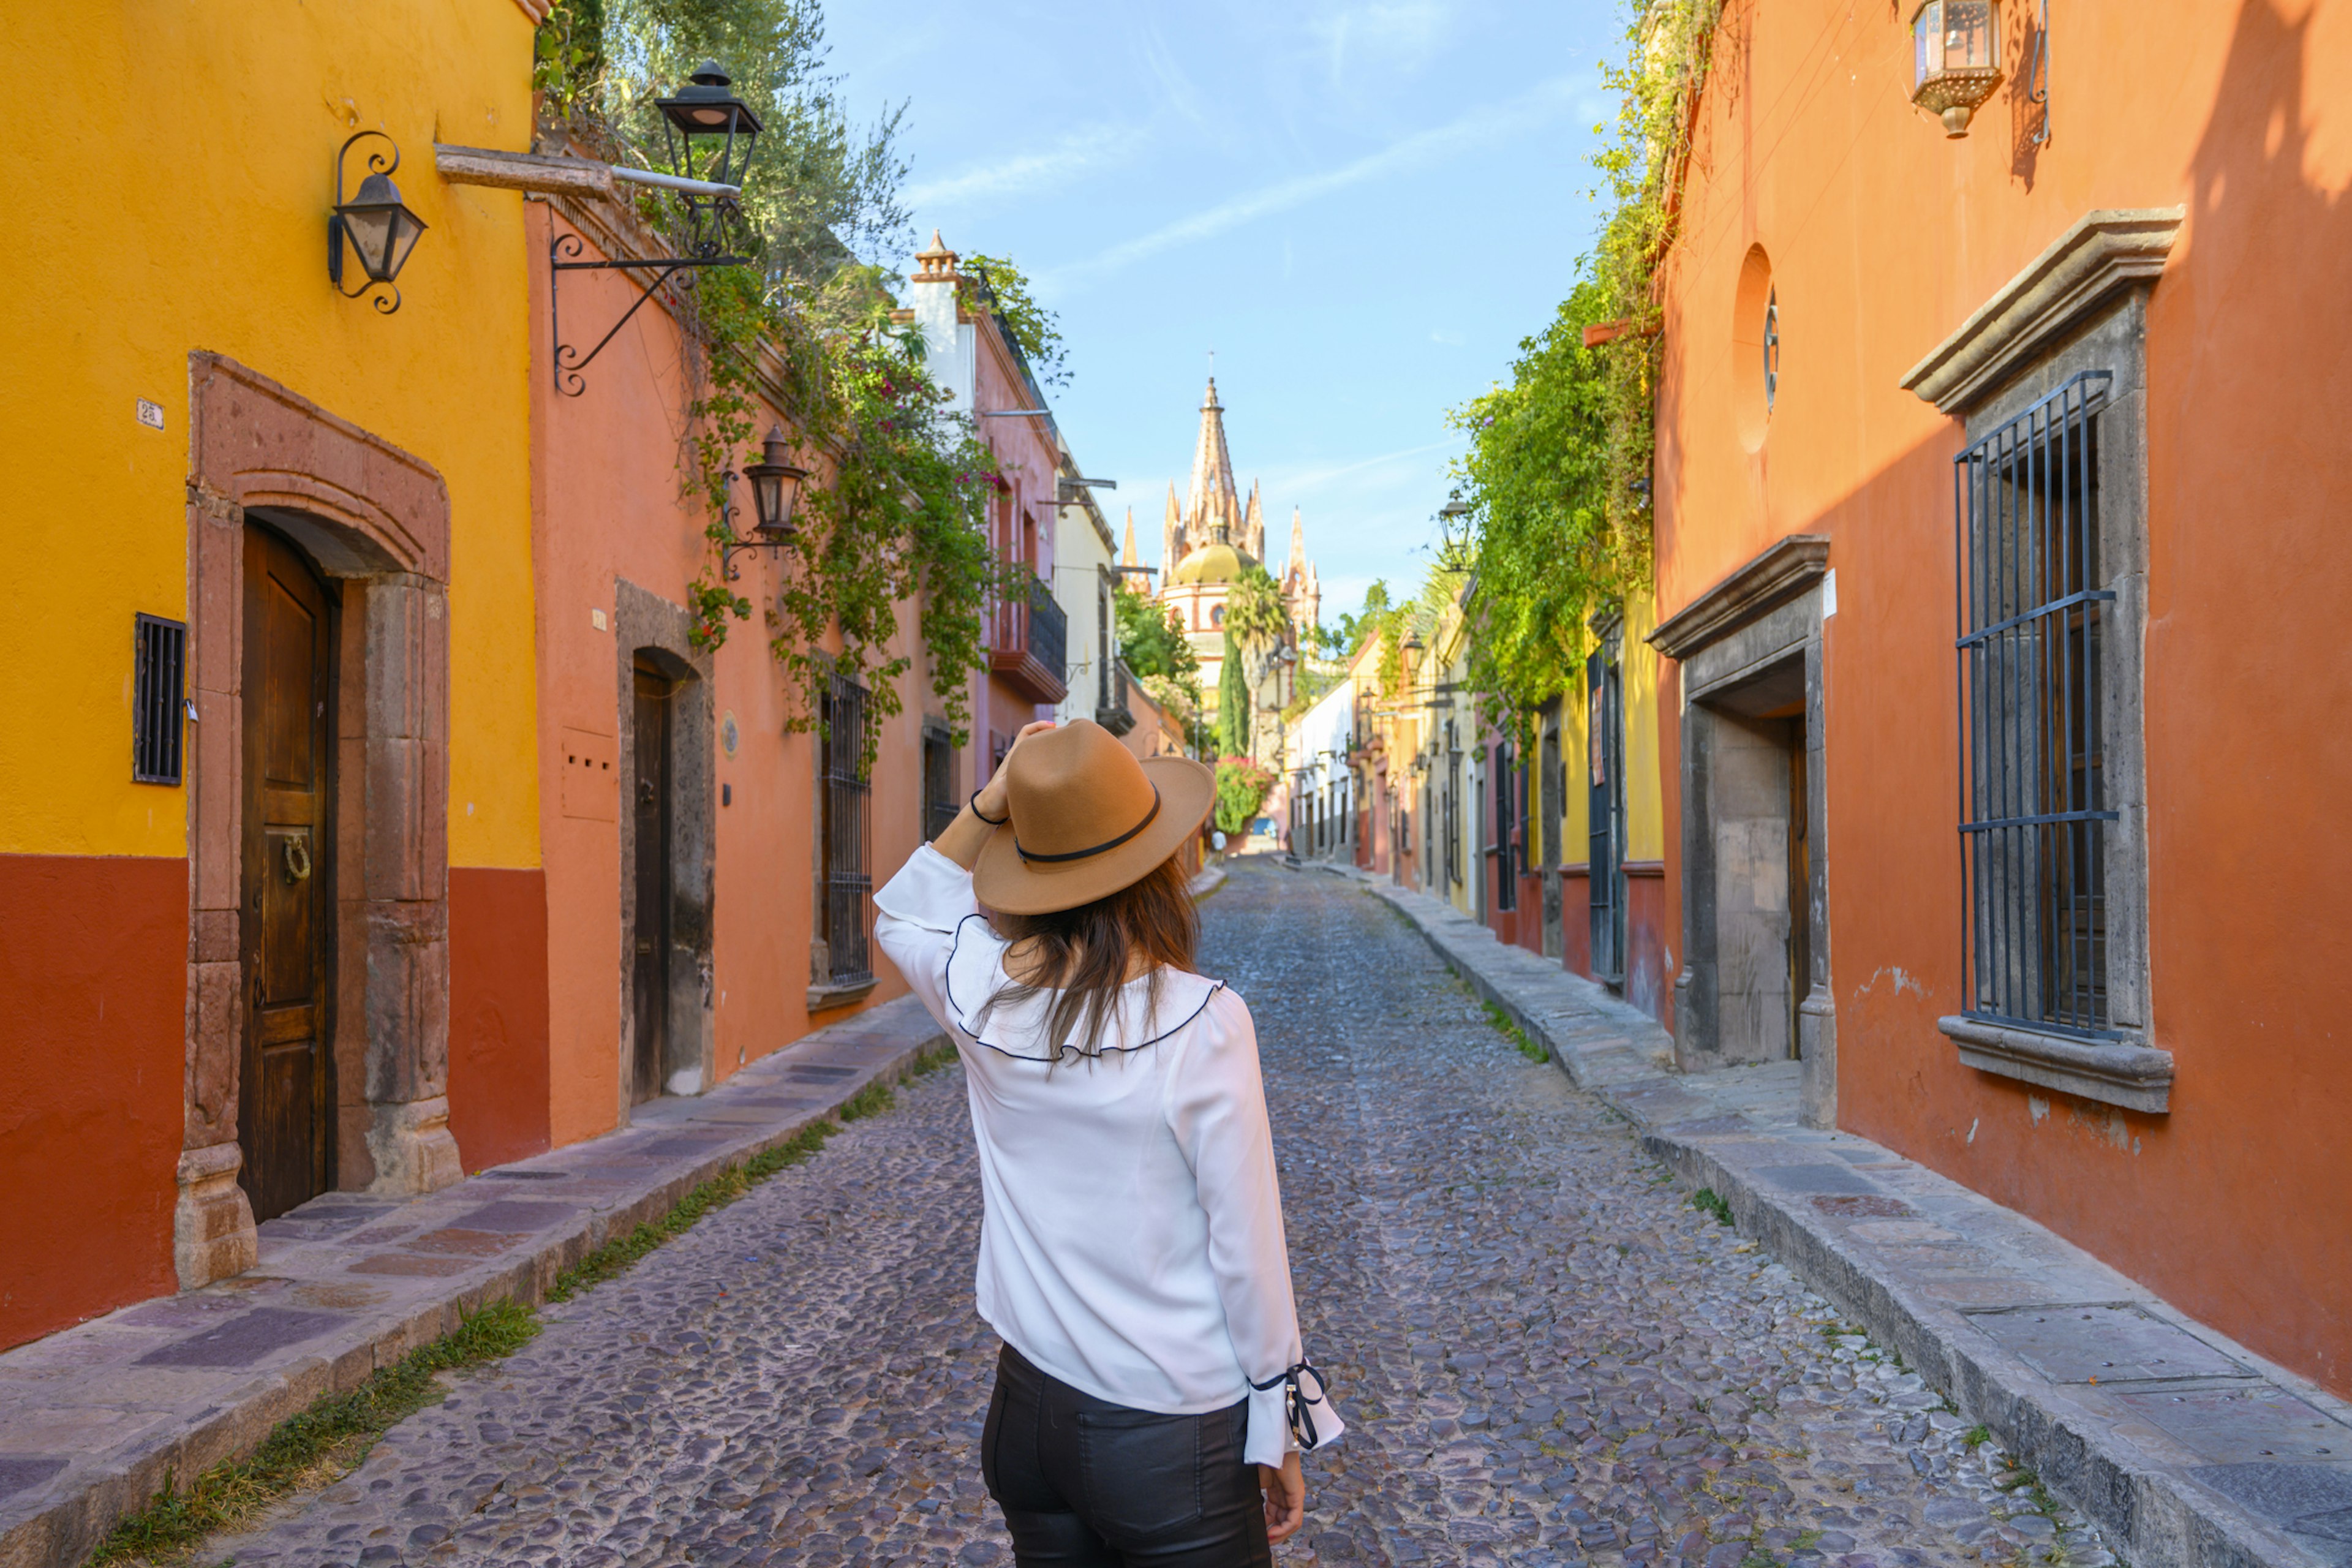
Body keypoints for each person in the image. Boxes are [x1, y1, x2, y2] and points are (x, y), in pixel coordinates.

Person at [873, 718, 1341, 1567]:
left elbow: (908, 906)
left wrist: (995, 795)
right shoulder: (1203, 1022)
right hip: (1170, 1439)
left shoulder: (977, 994)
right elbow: (1248, 1256)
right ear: (1157, 870)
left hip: (1027, 1420)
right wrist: (1280, 1426)